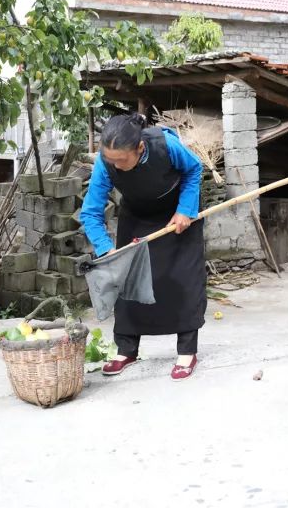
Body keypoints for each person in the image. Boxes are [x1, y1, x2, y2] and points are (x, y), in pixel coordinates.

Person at [80, 113, 206, 380]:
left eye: (121, 161)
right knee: (127, 281)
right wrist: (106, 249)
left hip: (177, 213)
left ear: (139, 148)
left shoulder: (165, 146)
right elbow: (90, 212)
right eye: (110, 160)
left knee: (182, 279)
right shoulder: (106, 162)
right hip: (137, 215)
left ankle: (186, 351)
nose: (115, 165)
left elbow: (194, 169)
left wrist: (185, 209)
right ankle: (126, 349)